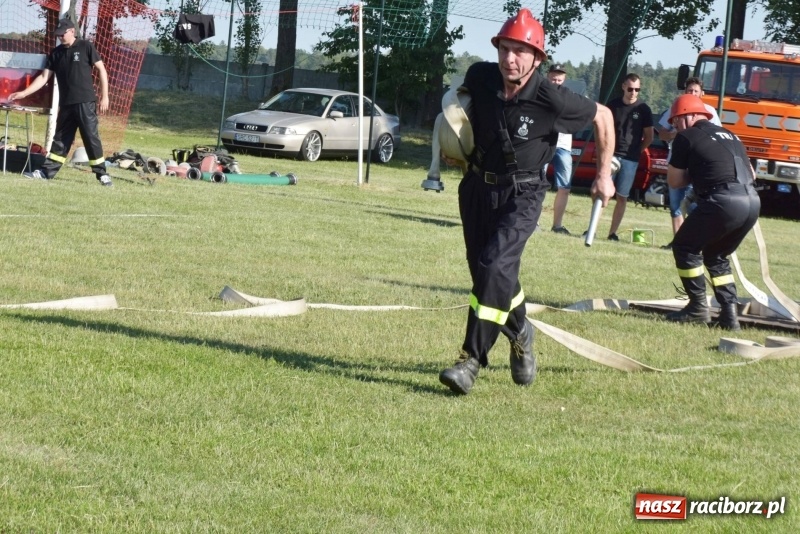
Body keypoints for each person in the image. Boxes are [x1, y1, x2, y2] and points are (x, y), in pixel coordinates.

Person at [437, 8, 616, 395]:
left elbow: (603, 116)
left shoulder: (553, 98)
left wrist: (604, 174)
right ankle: (521, 332)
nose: (510, 59)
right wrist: (454, 142)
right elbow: (458, 106)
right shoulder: (480, 77)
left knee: (494, 265)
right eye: (505, 48)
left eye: (520, 51)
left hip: (523, 193)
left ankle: (470, 360)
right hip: (476, 187)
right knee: (488, 273)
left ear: (537, 58)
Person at [665, 94, 760, 331]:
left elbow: (675, 181)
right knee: (716, 256)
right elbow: (752, 174)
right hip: (751, 201)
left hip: (723, 201)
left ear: (687, 116)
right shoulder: (731, 135)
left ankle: (697, 307)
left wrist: (697, 177)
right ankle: (729, 316)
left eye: (675, 121)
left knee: (684, 247)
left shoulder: (686, 137)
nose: (674, 126)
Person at [8, 17, 112, 186]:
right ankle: (46, 172)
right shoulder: (55, 53)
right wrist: (24, 93)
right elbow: (44, 77)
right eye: (58, 34)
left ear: (72, 31)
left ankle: (102, 175)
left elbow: (102, 70)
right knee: (60, 139)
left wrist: (105, 96)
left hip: (85, 102)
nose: (60, 37)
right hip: (66, 105)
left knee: (91, 138)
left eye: (63, 34)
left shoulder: (86, 46)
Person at [656, 77, 721, 249]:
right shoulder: (675, 108)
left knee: (694, 206)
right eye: (689, 90)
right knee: (675, 205)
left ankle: (694, 243)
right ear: (684, 92)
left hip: (698, 165)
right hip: (677, 163)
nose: (692, 93)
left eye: (695, 91)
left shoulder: (710, 112)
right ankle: (678, 243)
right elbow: (662, 133)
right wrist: (675, 134)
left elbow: (717, 135)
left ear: (702, 93)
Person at [594, 73, 653, 241]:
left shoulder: (644, 109)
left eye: (637, 89)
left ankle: (612, 233)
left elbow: (649, 137)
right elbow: (602, 129)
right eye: (630, 89)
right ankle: (592, 229)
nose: (633, 92)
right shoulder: (613, 106)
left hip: (630, 159)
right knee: (602, 193)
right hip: (611, 156)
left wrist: (637, 151)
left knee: (622, 197)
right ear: (623, 87)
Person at [545, 63, 574, 235]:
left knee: (565, 187)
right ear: (547, 77)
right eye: (553, 79)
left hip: (563, 146)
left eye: (559, 79)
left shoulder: (570, 98)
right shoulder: (540, 94)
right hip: (542, 143)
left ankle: (557, 225)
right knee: (535, 183)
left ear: (564, 79)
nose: (556, 82)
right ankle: (533, 222)